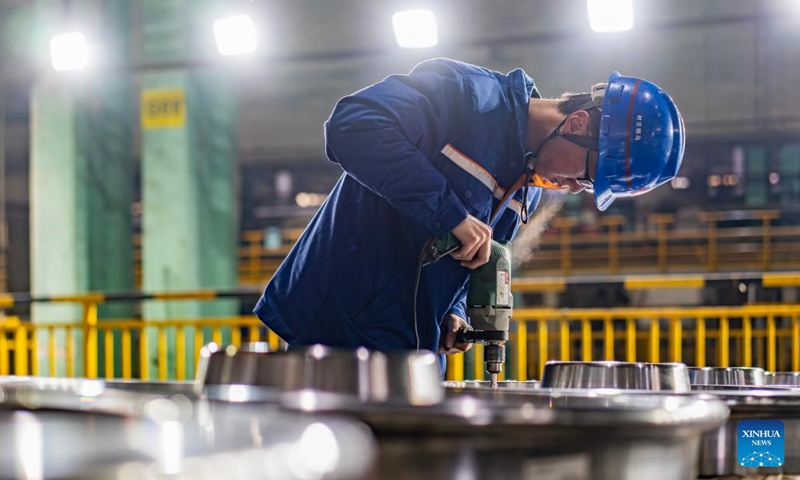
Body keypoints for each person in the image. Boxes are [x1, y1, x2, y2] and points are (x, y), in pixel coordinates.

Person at [254, 58, 684, 358]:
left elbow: (466, 257)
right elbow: (353, 125)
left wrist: (454, 314)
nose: (574, 189)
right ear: (577, 124)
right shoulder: (467, 96)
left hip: (411, 354)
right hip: (336, 337)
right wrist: (451, 215)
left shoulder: (525, 193)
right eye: (587, 176)